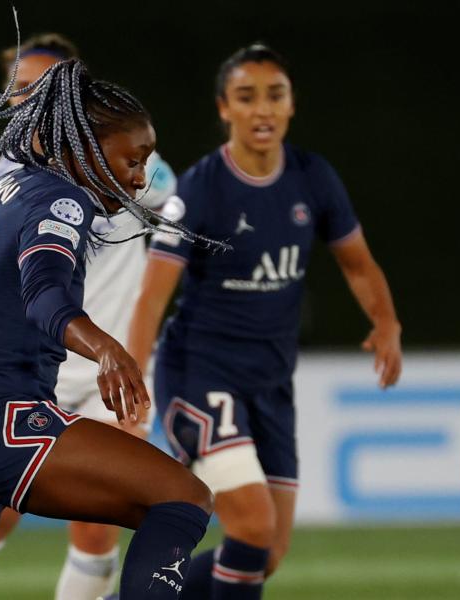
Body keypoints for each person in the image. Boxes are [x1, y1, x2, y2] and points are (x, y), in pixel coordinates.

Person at [0, 58, 216, 600]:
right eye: (133, 159)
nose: (138, 177)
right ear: (81, 145)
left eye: (145, 163)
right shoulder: (66, 199)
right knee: (183, 498)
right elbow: (46, 293)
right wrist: (105, 347)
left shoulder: (5, 187)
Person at [126, 44, 403, 600]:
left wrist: (387, 324)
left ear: (291, 105)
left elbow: (359, 264)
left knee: (266, 551)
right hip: (201, 375)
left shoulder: (312, 177)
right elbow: (152, 299)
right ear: (224, 108)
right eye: (246, 98)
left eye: (274, 96)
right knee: (251, 526)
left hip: (270, 384)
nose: (262, 110)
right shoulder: (200, 189)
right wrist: (132, 386)